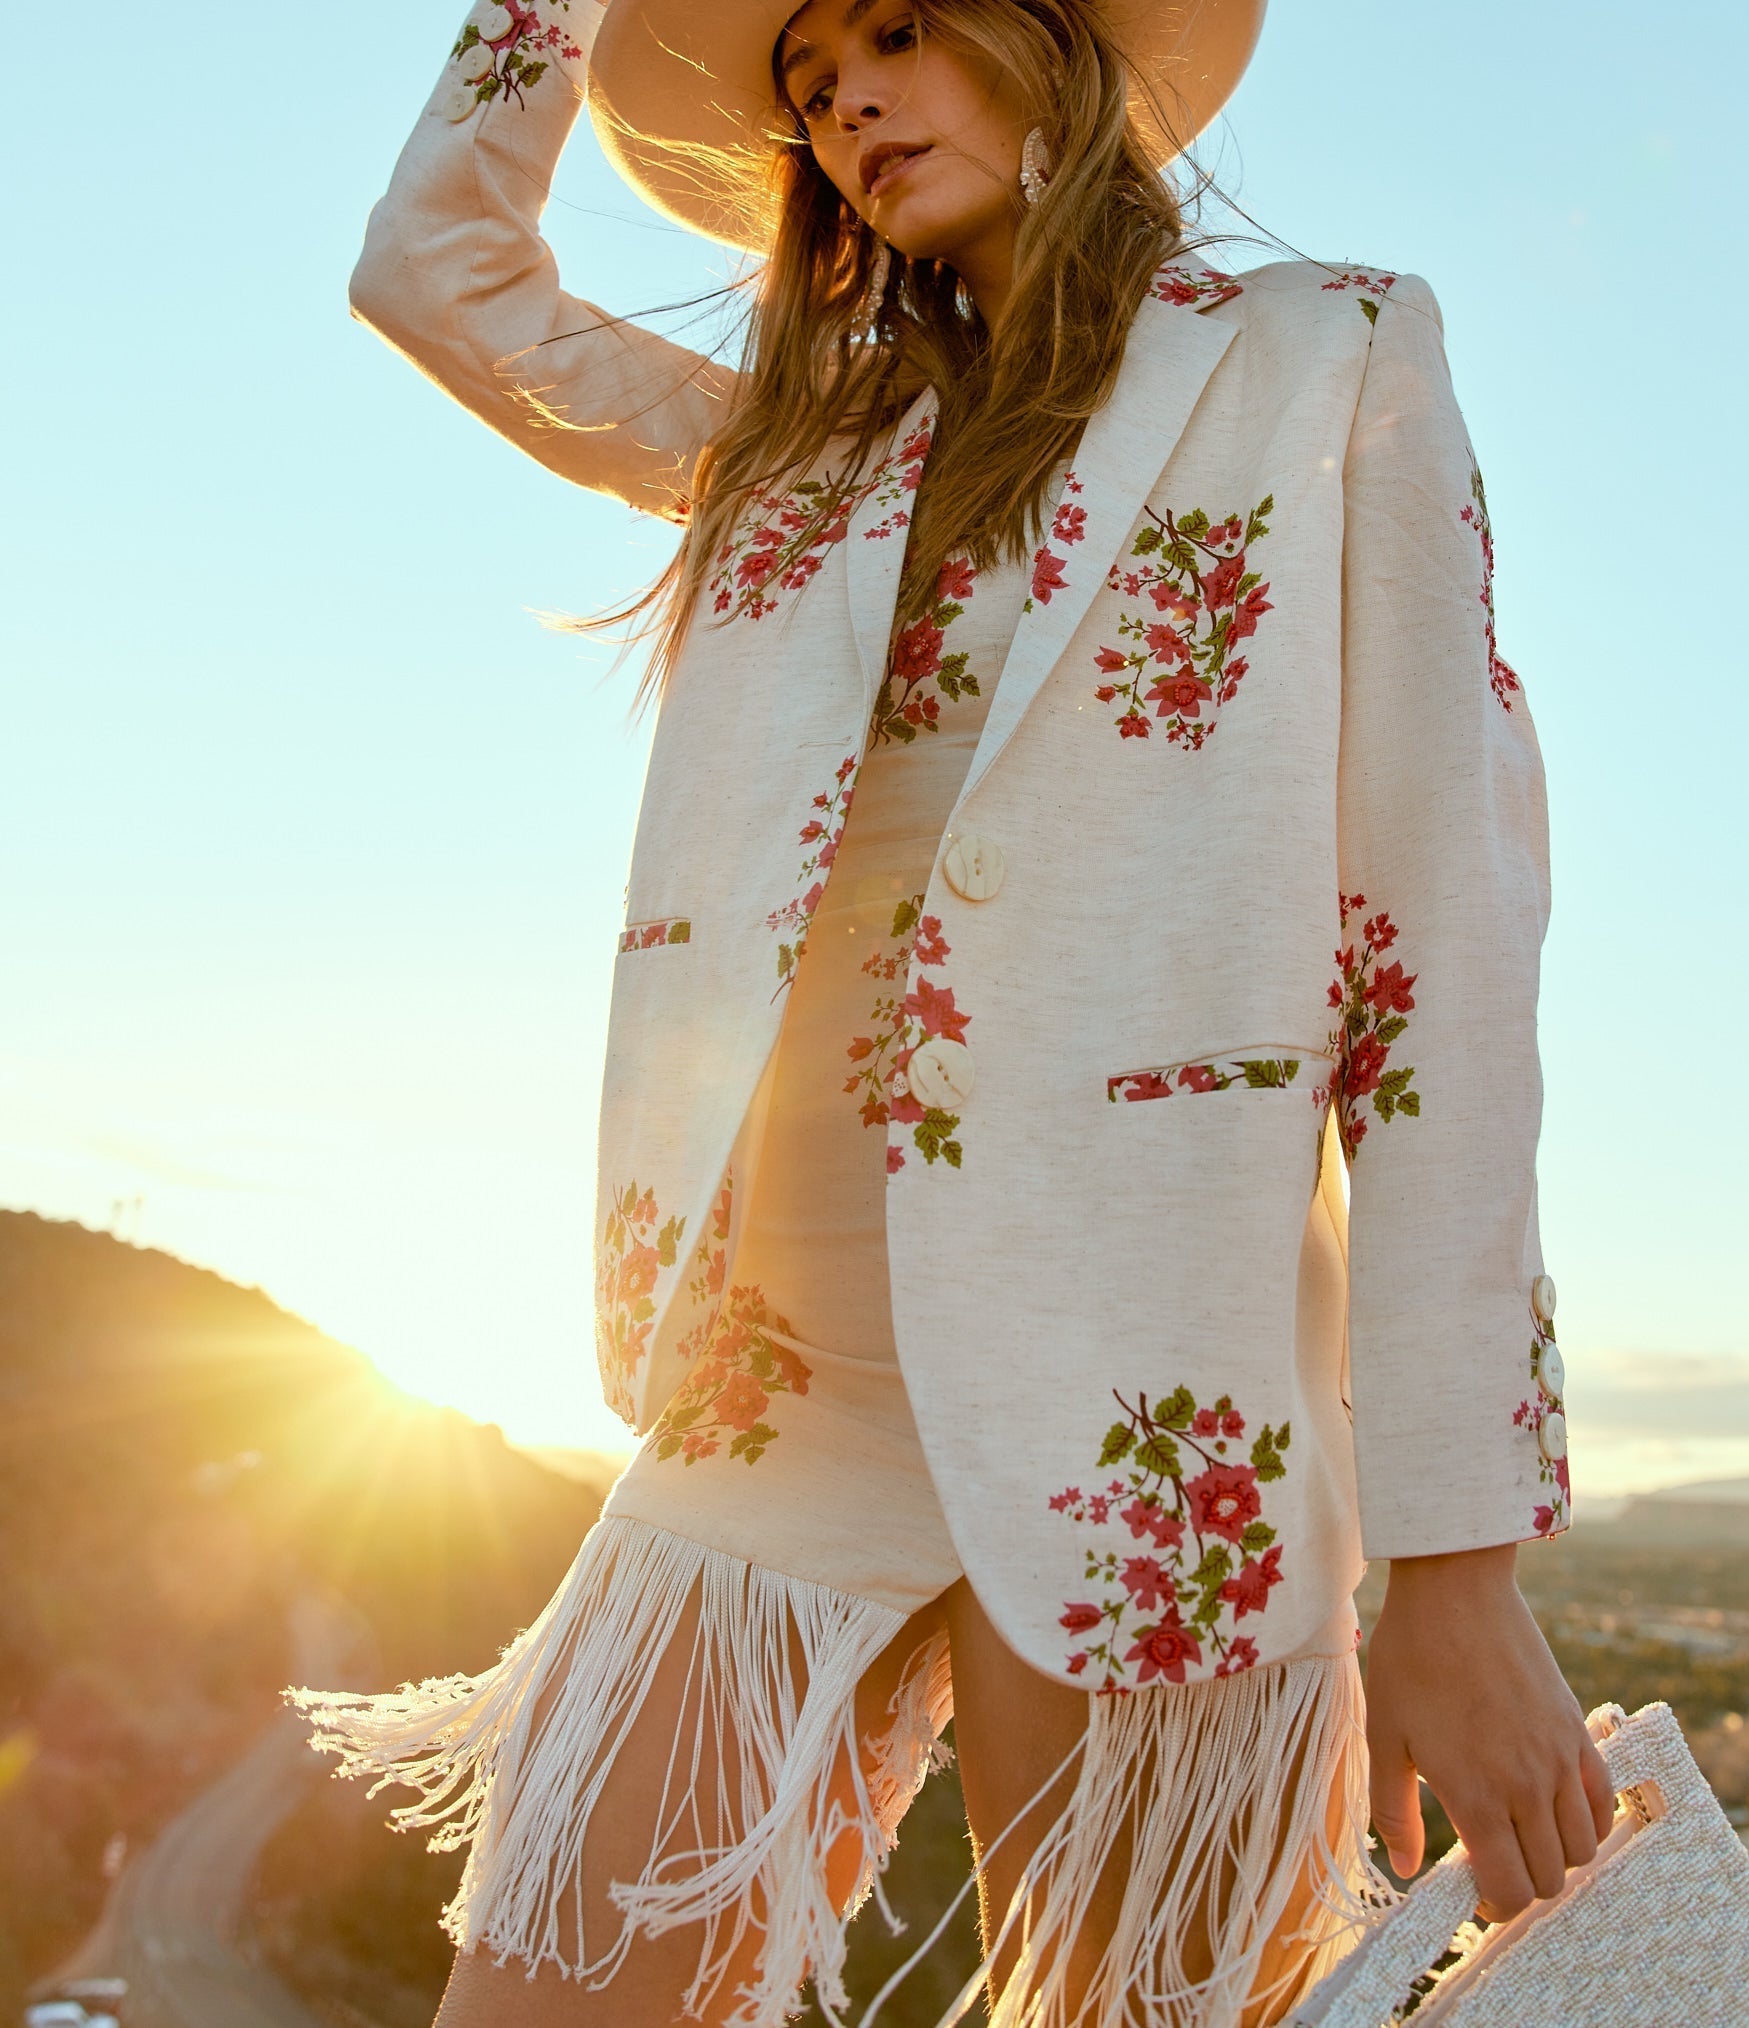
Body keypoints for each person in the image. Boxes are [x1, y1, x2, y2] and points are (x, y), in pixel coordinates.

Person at [294, 1, 1615, 2023]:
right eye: (807, 83)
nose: (845, 105)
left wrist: (1457, 1566)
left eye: (897, 34)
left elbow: (1438, 949)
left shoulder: (1326, 357)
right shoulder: (800, 447)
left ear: (1046, 45)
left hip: (1155, 1420)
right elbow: (436, 273)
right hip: (772, 1383)